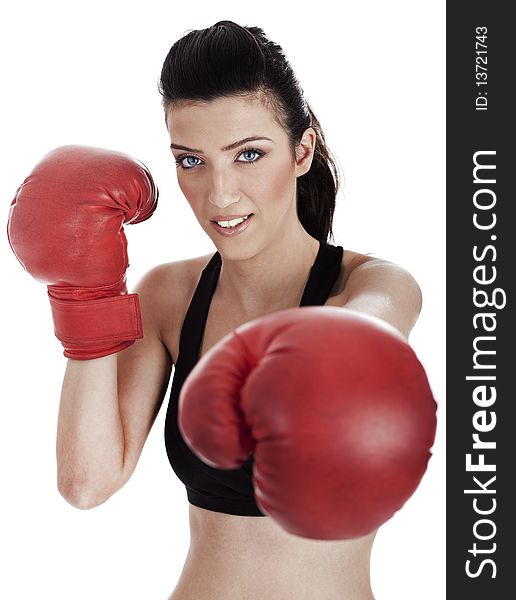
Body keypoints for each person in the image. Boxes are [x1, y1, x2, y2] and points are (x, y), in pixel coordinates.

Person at [7, 20, 431, 600]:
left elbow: (371, 327)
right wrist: (86, 298)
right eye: (191, 161)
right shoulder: (169, 297)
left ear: (301, 151)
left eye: (248, 155)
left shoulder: (370, 284)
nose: (220, 194)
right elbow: (86, 484)